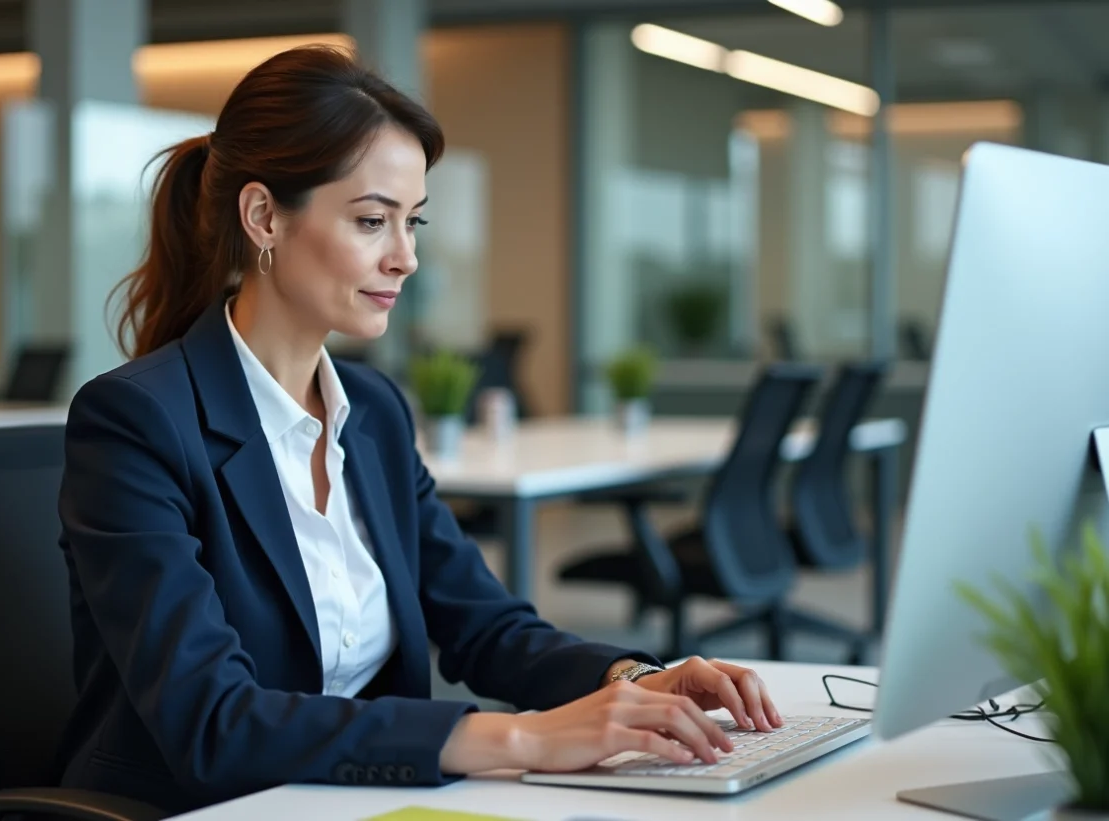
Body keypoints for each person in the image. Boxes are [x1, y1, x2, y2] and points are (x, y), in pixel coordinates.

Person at [56, 45, 784, 816]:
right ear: (264, 216)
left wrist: (629, 682)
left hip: (348, 796)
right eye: (373, 220)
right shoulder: (137, 421)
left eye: (413, 223)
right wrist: (522, 738)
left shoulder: (372, 411)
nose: (405, 258)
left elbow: (485, 625)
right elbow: (212, 721)